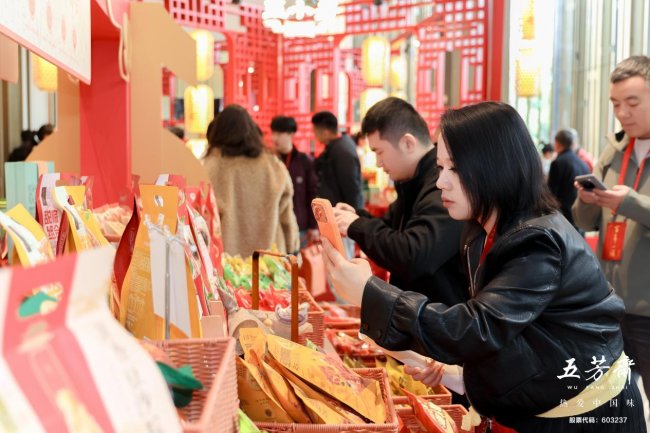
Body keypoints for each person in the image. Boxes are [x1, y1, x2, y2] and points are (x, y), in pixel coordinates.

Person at [323, 101, 645, 432]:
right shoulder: (480, 230)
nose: (441, 182)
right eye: (440, 168)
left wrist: (370, 293)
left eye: (454, 169)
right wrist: (460, 375)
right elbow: (514, 335)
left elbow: (478, 327)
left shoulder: (538, 240)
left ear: (495, 166)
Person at [332, 97, 466, 305]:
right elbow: (391, 229)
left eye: (379, 152)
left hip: (439, 315)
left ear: (407, 143)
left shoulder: (442, 185)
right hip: (416, 311)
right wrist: (356, 217)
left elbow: (414, 254)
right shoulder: (413, 181)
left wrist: (356, 225)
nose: (378, 163)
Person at [572, 55, 650, 413]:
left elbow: (629, 205)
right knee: (610, 401)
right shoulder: (613, 149)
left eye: (632, 102)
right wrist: (587, 199)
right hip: (611, 304)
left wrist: (628, 202)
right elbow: (584, 219)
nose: (622, 113)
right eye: (616, 104)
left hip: (647, 309)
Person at [203, 104, 299, 257]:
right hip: (270, 263)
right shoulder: (273, 165)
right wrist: (292, 247)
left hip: (226, 263)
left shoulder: (210, 167)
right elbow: (286, 215)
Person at [312, 111, 364, 258]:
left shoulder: (342, 151)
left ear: (325, 132)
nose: (314, 135)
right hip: (336, 217)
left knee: (342, 259)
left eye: (316, 131)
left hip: (341, 220)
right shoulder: (336, 146)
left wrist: (351, 218)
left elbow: (351, 187)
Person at [271, 115, 319, 248]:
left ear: (291, 134)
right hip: (275, 225)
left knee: (298, 260)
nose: (274, 138)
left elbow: (312, 194)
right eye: (273, 133)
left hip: (299, 226)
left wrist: (313, 225)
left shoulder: (305, 161)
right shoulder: (269, 161)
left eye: (279, 133)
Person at [548, 129, 590, 230]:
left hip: (563, 218)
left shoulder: (557, 163)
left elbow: (551, 194)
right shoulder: (583, 164)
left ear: (557, 143)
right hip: (580, 215)